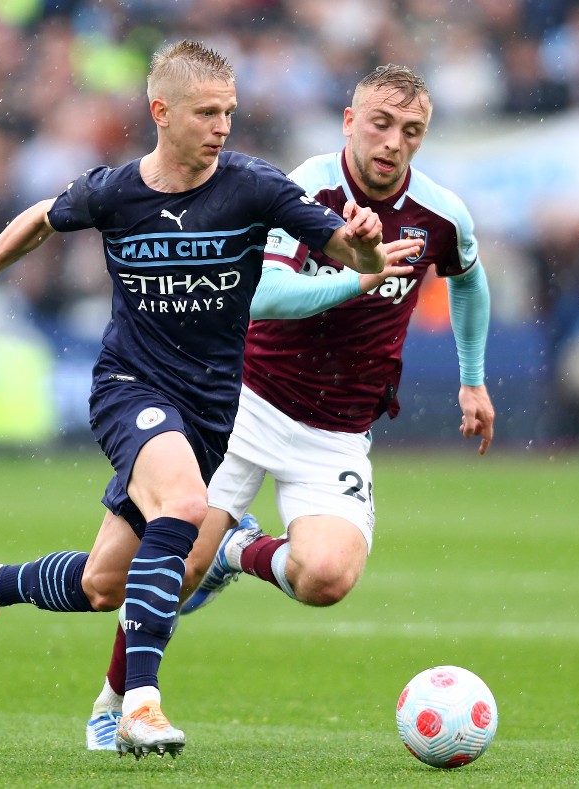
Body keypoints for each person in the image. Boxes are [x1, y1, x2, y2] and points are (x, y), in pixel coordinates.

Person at [0, 41, 422, 759]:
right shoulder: (116, 191)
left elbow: (347, 252)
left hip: (210, 411)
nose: (222, 127)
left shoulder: (255, 187)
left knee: (102, 584)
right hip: (130, 390)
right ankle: (140, 704)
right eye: (208, 113)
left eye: (230, 113)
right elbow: (37, 221)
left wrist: (367, 246)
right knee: (184, 508)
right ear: (162, 112)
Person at [82, 64, 494, 751]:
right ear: (349, 121)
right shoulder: (305, 189)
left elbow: (469, 281)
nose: (394, 142)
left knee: (327, 577)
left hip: (337, 430)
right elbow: (263, 296)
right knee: (162, 571)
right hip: (243, 405)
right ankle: (112, 703)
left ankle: (238, 548)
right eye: (381, 124)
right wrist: (354, 282)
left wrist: (472, 380)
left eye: (412, 131)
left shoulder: (441, 215)